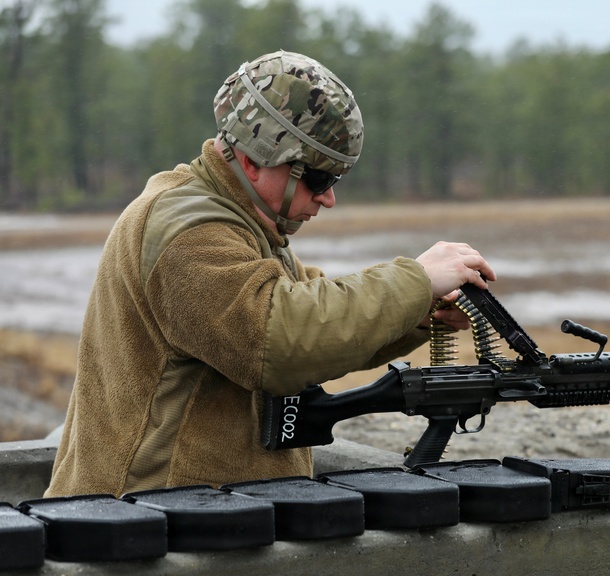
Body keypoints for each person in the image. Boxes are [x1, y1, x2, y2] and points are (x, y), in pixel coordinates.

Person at [44, 50, 495, 498]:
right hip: (139, 525)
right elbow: (278, 338)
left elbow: (312, 305)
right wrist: (415, 280)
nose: (329, 199)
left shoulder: (239, 219)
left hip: (190, 515)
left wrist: (420, 311)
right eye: (319, 179)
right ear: (256, 159)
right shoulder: (189, 229)